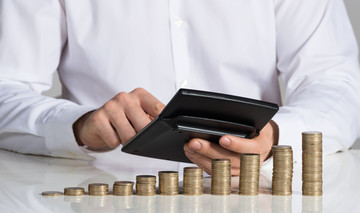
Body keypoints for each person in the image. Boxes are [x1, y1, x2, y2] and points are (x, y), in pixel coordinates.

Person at [0, 0, 360, 175]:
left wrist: (276, 136)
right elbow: (5, 88)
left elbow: (336, 82)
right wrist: (79, 125)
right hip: (94, 202)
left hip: (255, 196)